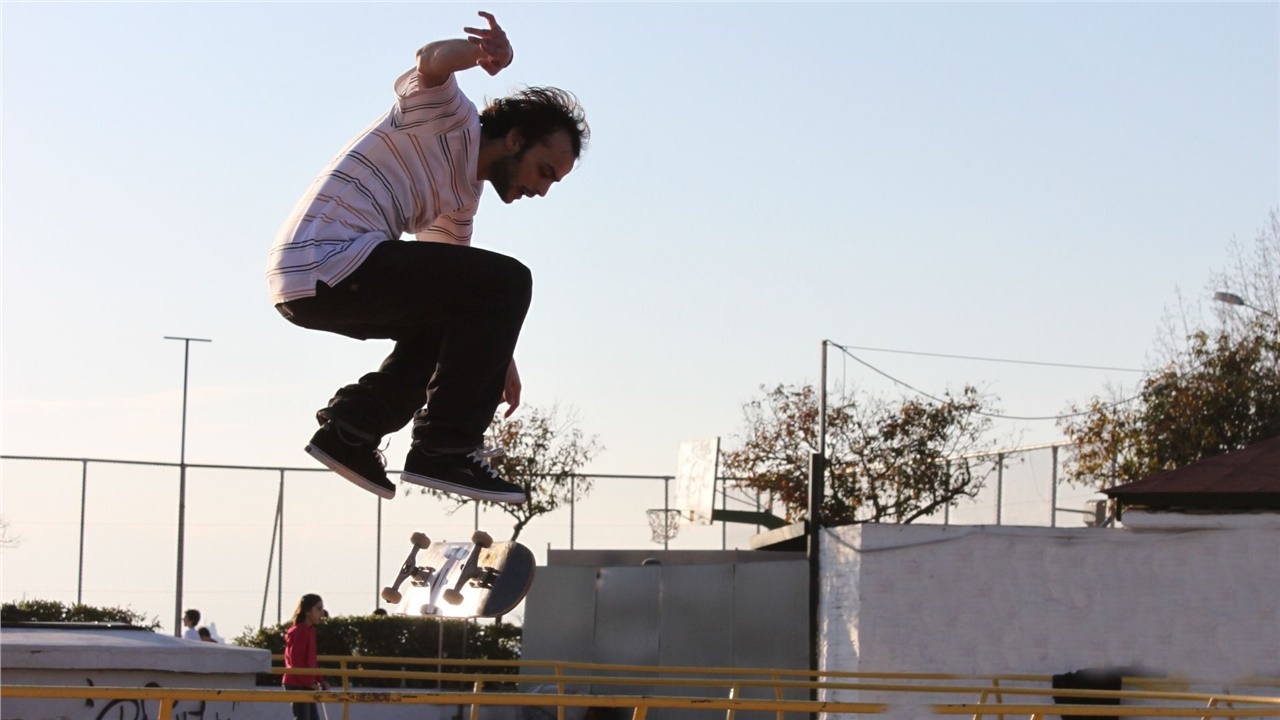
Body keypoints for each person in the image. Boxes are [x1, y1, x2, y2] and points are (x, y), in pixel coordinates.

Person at [268, 11, 590, 504]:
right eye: (543, 171)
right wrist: (484, 55)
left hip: (313, 280)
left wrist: (498, 355)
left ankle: (352, 429)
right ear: (516, 139)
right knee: (510, 279)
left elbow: (463, 298)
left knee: (453, 317)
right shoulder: (448, 117)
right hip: (328, 260)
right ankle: (445, 448)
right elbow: (430, 62)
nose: (541, 190)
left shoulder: (461, 200)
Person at [282, 594, 329, 720]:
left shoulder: (310, 631)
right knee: (303, 717)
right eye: (318, 609)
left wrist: (320, 679)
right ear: (308, 611)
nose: (322, 613)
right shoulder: (300, 631)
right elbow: (296, 661)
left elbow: (312, 661)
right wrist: (309, 682)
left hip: (305, 682)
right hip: (296, 682)